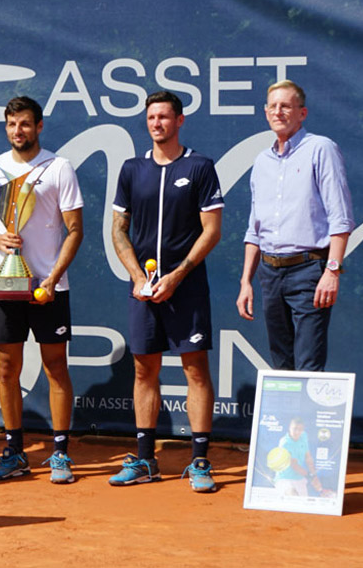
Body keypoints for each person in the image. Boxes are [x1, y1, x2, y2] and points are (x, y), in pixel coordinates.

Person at [108, 91, 223, 492]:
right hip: (142, 288)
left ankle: (200, 461)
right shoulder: (131, 169)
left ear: (180, 121)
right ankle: (144, 459)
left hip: (186, 287)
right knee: (144, 370)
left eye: (164, 117)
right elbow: (118, 229)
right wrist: (138, 276)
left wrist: (177, 275)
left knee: (195, 369)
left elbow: (212, 230)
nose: (157, 123)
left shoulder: (200, 166)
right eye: (152, 117)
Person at [0, 96, 84, 484]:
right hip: (7, 282)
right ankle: (15, 450)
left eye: (24, 124)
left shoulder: (59, 167)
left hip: (50, 287)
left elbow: (75, 231)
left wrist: (52, 278)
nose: (17, 131)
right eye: (11, 125)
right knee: (7, 368)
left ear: (38, 126)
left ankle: (59, 453)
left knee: (55, 367)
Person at [236, 80, 355, 371]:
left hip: (309, 272)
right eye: (273, 107)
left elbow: (341, 218)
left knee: (308, 366)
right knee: (281, 365)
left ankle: (306, 419)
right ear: (266, 113)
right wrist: (245, 282)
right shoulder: (262, 161)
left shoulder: (320, 149)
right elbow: (255, 229)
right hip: (269, 274)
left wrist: (332, 271)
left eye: (286, 106)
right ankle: (291, 419)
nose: (278, 112)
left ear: (302, 113)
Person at [273, 418, 322, 497]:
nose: (297, 432)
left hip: (299, 478)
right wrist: (311, 477)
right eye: (295, 429)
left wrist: (314, 476)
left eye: (300, 429)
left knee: (303, 504)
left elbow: (308, 457)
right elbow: (294, 465)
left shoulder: (303, 436)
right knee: (293, 496)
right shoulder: (285, 443)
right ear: (289, 428)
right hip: (284, 479)